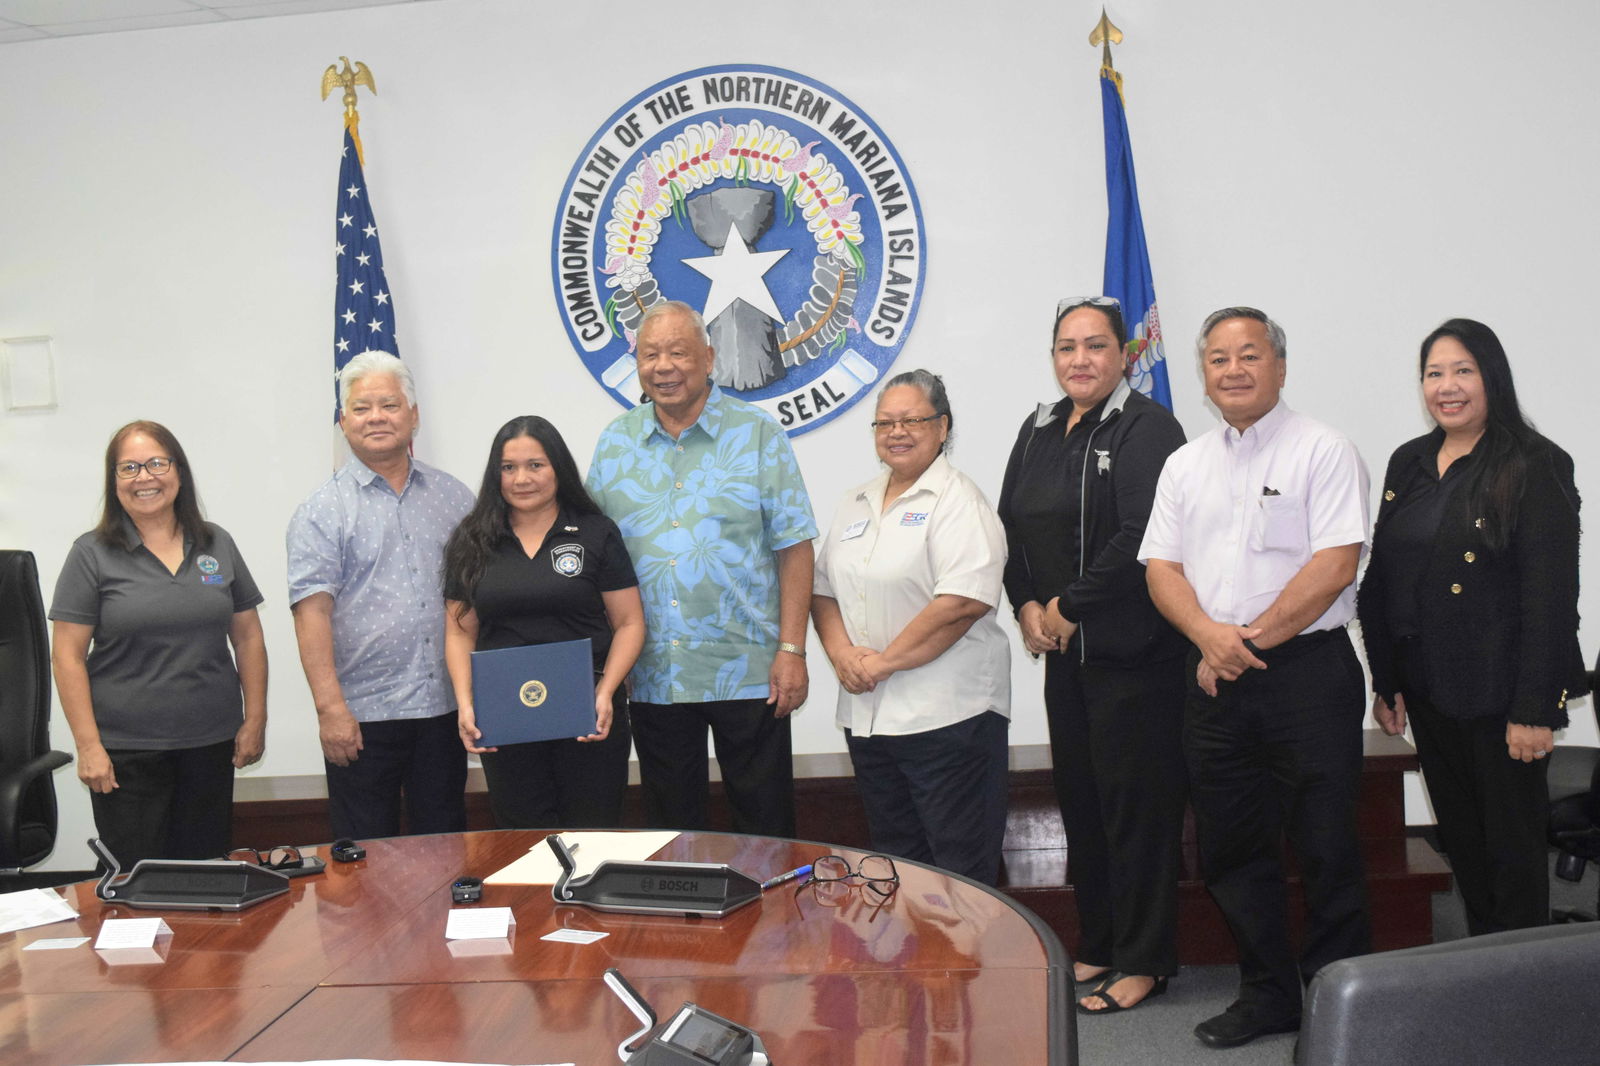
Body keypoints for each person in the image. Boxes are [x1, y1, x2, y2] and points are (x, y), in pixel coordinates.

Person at [1139, 307, 1373, 1049]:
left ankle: (1346, 1010)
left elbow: (1336, 563)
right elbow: (1160, 568)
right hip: (1213, 679)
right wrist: (1211, 639)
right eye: (1218, 358)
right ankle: (1268, 994)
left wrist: (1241, 643)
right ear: (1204, 374)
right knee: (1233, 849)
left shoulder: (1324, 449)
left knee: (1327, 844)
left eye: (1249, 355)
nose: (1233, 369)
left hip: (1307, 674)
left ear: (1279, 364)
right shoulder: (1185, 464)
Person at [1357, 318, 1585, 935]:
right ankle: (1482, 975)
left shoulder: (1535, 464)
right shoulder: (1409, 461)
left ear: (1492, 378)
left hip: (1502, 696)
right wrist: (1387, 679)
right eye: (1434, 373)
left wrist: (1537, 707)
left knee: (1510, 854)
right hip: (1430, 689)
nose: (1447, 386)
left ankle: (1522, 990)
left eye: (1463, 371)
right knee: (1463, 843)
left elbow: (1551, 598)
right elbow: (1383, 580)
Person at [998, 298, 1188, 1012]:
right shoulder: (1041, 426)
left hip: (1136, 660)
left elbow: (1143, 536)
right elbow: (1009, 526)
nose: (1080, 359)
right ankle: (1103, 942)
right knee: (1084, 806)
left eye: (1096, 346)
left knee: (1137, 812)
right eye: (1067, 347)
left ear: (1123, 355)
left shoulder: (1148, 428)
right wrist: (1025, 605)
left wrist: (1068, 607)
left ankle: (1146, 959)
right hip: (1064, 660)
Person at [586, 301, 817, 838]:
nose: (663, 366)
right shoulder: (615, 443)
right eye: (650, 354)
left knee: (765, 826)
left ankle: (776, 920)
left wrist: (791, 650)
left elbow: (794, 548)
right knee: (672, 833)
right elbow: (594, 558)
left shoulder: (756, 434)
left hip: (748, 669)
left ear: (709, 359)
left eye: (678, 352)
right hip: (654, 675)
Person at [812, 370, 1011, 885]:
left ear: (943, 427)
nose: (896, 432)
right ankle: (916, 968)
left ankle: (968, 969)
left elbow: (961, 603)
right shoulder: (856, 501)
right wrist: (841, 655)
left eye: (912, 421)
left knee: (958, 871)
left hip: (949, 718)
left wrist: (881, 662)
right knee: (896, 865)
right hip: (870, 718)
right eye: (885, 422)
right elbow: (822, 588)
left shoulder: (958, 501)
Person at [49, 420, 267, 866]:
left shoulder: (215, 542)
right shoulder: (91, 553)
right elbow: (67, 656)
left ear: (179, 473)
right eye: (128, 468)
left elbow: (247, 636)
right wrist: (88, 746)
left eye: (156, 463)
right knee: (137, 884)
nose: (144, 477)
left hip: (211, 744)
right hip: (126, 753)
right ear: (114, 483)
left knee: (204, 875)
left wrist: (256, 718)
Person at [286, 350, 474, 840]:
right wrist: (330, 711)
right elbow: (311, 617)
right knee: (366, 864)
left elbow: (478, 602)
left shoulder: (455, 497)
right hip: (363, 717)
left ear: (414, 416)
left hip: (444, 710)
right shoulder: (320, 512)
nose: (376, 418)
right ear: (343, 421)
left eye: (389, 405)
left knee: (446, 846)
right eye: (362, 408)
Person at [443, 415, 646, 828]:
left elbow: (629, 623)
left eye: (536, 465)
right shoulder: (471, 539)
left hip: (589, 718)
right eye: (509, 467)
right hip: (505, 719)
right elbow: (459, 631)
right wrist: (467, 703)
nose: (522, 478)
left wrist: (605, 692)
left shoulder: (595, 532)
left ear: (558, 468)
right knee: (524, 843)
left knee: (594, 841)